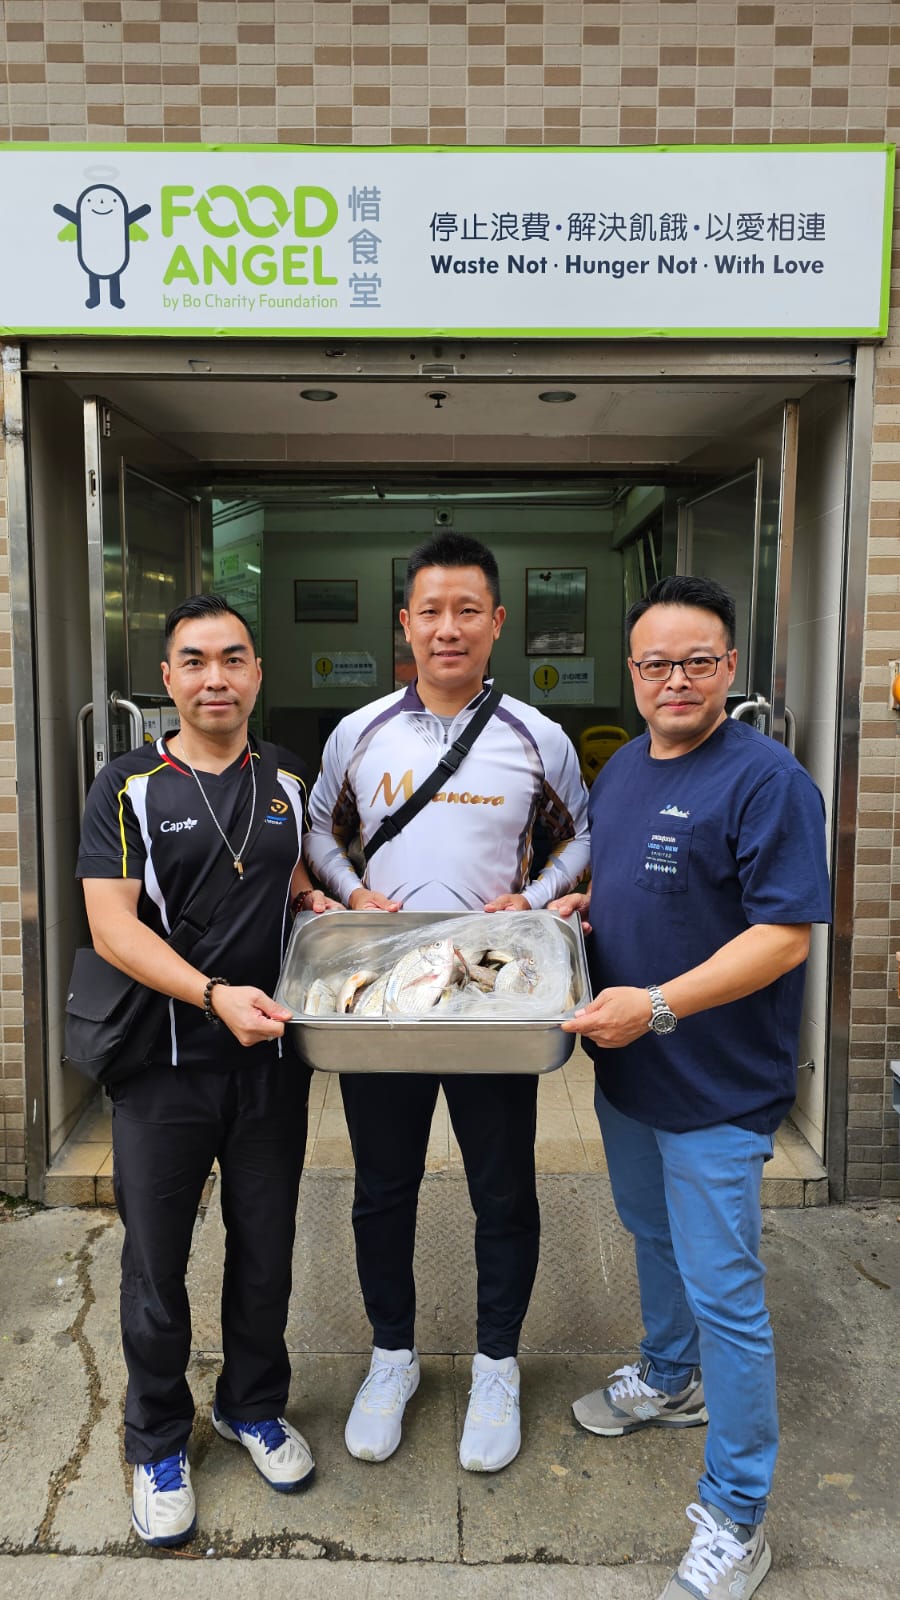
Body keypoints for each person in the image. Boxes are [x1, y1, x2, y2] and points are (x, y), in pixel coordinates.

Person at [550, 575, 831, 1600]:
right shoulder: (625, 766)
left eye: (697, 661)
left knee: (729, 1296)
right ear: (633, 672)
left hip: (716, 1086)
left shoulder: (768, 781)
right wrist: (584, 904)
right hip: (631, 1073)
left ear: (730, 667)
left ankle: (737, 1516)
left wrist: (659, 1004)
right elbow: (647, 882)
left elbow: (783, 936)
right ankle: (671, 1379)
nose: (676, 679)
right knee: (651, 1233)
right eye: (657, 663)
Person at [304, 531, 590, 1473]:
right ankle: (392, 1357)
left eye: (468, 610)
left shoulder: (536, 737)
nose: (448, 628)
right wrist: (352, 892)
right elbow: (319, 830)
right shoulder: (360, 732)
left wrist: (535, 898)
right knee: (381, 1189)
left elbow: (581, 837)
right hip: (386, 998)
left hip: (493, 1002)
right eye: (430, 610)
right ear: (406, 623)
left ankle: (497, 1364)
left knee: (502, 1190)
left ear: (497, 622)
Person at [76, 593, 340, 1548]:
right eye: (195, 661)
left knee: (266, 1251)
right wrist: (212, 992)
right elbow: (111, 926)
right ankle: (156, 1441)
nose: (215, 678)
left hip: (268, 1066)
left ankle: (251, 1406)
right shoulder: (126, 785)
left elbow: (291, 879)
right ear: (168, 678)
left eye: (233, 659)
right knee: (157, 1265)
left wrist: (331, 908)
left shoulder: (288, 777)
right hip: (165, 1066)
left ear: (258, 673)